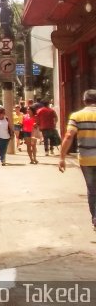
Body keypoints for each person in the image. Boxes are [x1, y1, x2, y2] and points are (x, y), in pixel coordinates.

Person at [58, 89, 96, 232]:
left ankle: (95, 219)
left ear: (84, 101)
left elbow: (69, 136)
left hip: (86, 159)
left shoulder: (77, 116)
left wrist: (62, 157)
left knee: (92, 190)